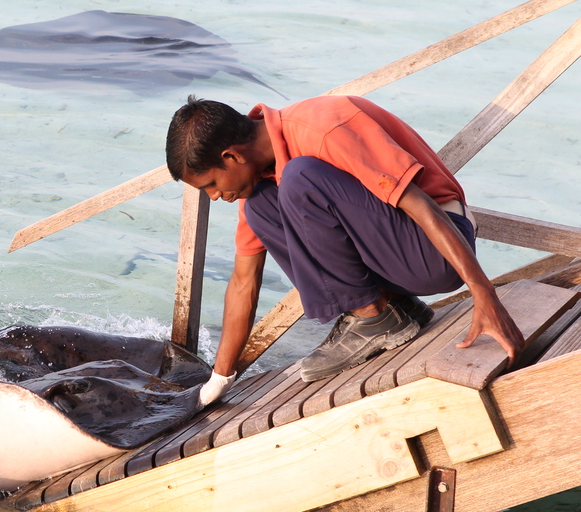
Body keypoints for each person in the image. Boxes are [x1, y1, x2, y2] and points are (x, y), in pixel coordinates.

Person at [164, 95, 524, 404]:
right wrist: (219, 380)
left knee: (301, 178)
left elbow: (420, 205)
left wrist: (484, 293)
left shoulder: (321, 127)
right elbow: (244, 280)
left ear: (231, 156)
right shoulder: (258, 184)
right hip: (401, 255)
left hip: (438, 248)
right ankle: (392, 308)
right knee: (263, 204)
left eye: (211, 184)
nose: (215, 196)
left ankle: (372, 317)